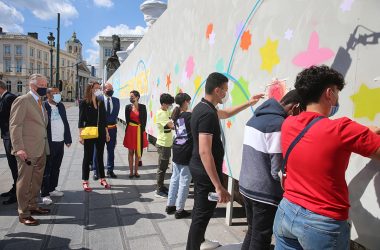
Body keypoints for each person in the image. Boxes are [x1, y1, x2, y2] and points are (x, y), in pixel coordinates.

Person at [273, 65, 380, 249]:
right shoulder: (342, 129)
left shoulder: (288, 124)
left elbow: (318, 135)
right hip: (322, 224)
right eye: (337, 92)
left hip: (286, 212)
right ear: (329, 93)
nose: (337, 98)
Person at [186, 72, 264, 250]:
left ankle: (199, 241)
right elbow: (205, 152)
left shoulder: (204, 107)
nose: (226, 94)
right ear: (216, 90)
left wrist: (249, 102)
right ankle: (193, 246)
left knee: (202, 212)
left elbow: (226, 113)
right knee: (201, 214)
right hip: (205, 172)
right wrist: (218, 186)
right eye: (225, 90)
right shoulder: (206, 113)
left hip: (199, 169)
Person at [239, 90, 303, 250]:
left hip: (246, 185)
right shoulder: (277, 124)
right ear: (296, 107)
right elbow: (277, 170)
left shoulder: (255, 117)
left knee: (253, 231)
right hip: (263, 192)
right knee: (261, 238)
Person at [9, 74, 50, 226]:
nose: (45, 87)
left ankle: (33, 205)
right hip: (27, 150)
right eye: (43, 85)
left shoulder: (40, 101)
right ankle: (23, 213)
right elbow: (15, 125)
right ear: (33, 85)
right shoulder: (23, 100)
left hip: (40, 148)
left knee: (36, 180)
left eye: (46, 84)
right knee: (25, 181)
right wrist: (18, 148)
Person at [40, 88, 72, 205]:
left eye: (58, 92)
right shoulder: (43, 106)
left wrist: (68, 139)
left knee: (56, 167)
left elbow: (65, 122)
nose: (58, 95)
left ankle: (52, 188)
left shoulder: (61, 106)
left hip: (60, 141)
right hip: (49, 142)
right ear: (48, 95)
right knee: (47, 168)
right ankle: (45, 193)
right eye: (54, 93)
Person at [78, 81, 111, 192]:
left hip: (101, 132)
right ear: (90, 89)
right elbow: (81, 120)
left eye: (99, 88)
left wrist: (106, 133)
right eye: (96, 88)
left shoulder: (100, 101)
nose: (98, 90)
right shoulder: (84, 102)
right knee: (87, 157)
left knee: (100, 156)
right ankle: (85, 181)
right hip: (89, 132)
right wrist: (81, 136)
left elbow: (104, 119)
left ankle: (102, 178)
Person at [166, 93, 193, 219]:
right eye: (189, 101)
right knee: (184, 181)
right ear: (186, 102)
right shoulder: (188, 115)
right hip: (186, 150)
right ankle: (180, 210)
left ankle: (170, 205)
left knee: (175, 178)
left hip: (176, 148)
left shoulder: (176, 115)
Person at [92, 83, 120, 179]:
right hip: (100, 129)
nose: (111, 90)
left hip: (112, 129)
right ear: (104, 90)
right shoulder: (98, 100)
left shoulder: (116, 101)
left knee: (111, 150)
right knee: (98, 150)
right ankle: (96, 171)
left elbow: (115, 115)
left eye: (112, 89)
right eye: (109, 89)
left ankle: (110, 170)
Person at [0, 80, 18, 205]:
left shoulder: (9, 98)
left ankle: (18, 193)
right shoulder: (4, 98)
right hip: (7, 136)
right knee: (13, 166)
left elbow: (16, 118)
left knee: (15, 166)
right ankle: (15, 188)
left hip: (12, 137)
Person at [123, 90, 148, 178]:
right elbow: (127, 120)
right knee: (130, 152)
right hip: (130, 131)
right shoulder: (127, 107)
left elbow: (144, 120)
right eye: (130, 96)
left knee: (138, 152)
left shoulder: (143, 107)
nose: (131, 98)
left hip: (139, 131)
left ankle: (136, 171)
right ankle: (131, 172)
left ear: (137, 97)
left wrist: (142, 131)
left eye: (132, 96)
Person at [155, 93, 175, 198]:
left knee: (164, 166)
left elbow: (173, 115)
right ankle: (159, 189)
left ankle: (162, 187)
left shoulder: (166, 111)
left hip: (167, 143)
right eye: (168, 104)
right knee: (162, 168)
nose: (169, 106)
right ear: (163, 104)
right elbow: (171, 125)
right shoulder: (161, 113)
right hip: (163, 144)